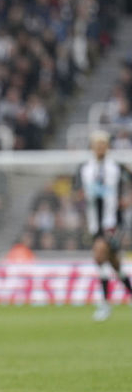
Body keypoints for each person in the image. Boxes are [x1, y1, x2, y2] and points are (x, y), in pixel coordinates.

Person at [74, 130, 132, 321]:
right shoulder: (84, 169)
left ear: (107, 147)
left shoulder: (117, 167)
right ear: (92, 147)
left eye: (103, 144)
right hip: (94, 224)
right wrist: (80, 198)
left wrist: (127, 200)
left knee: (99, 254)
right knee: (114, 264)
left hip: (113, 222)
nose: (100, 148)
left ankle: (105, 305)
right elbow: (76, 191)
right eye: (97, 144)